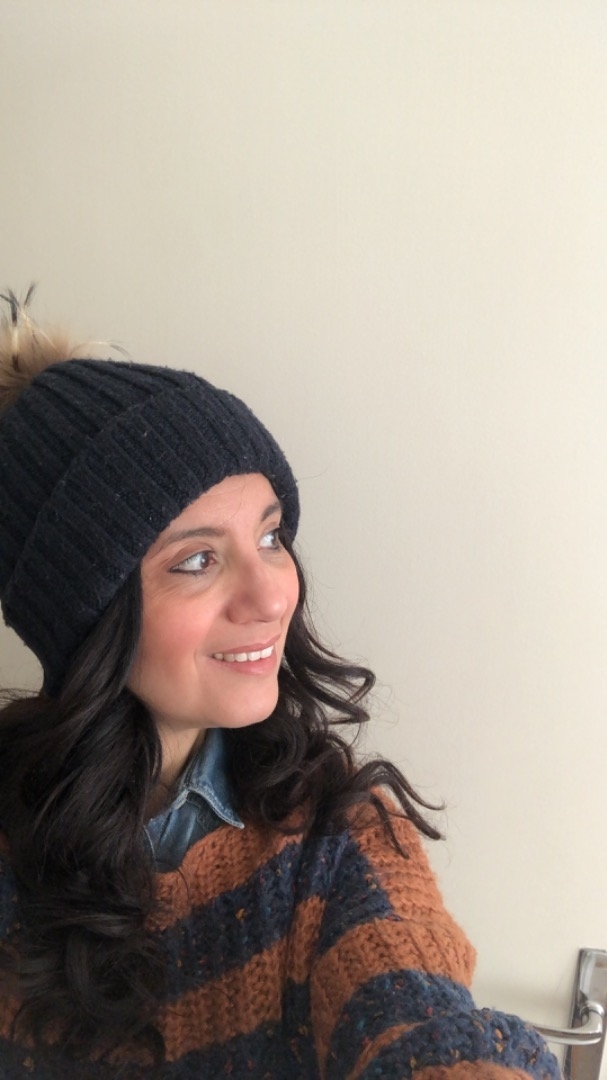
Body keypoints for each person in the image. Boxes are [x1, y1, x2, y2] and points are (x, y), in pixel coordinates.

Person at [0, 290, 559, 1079]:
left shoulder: (337, 843)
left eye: (270, 536)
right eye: (197, 560)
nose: (271, 597)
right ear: (81, 614)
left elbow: (425, 1027)